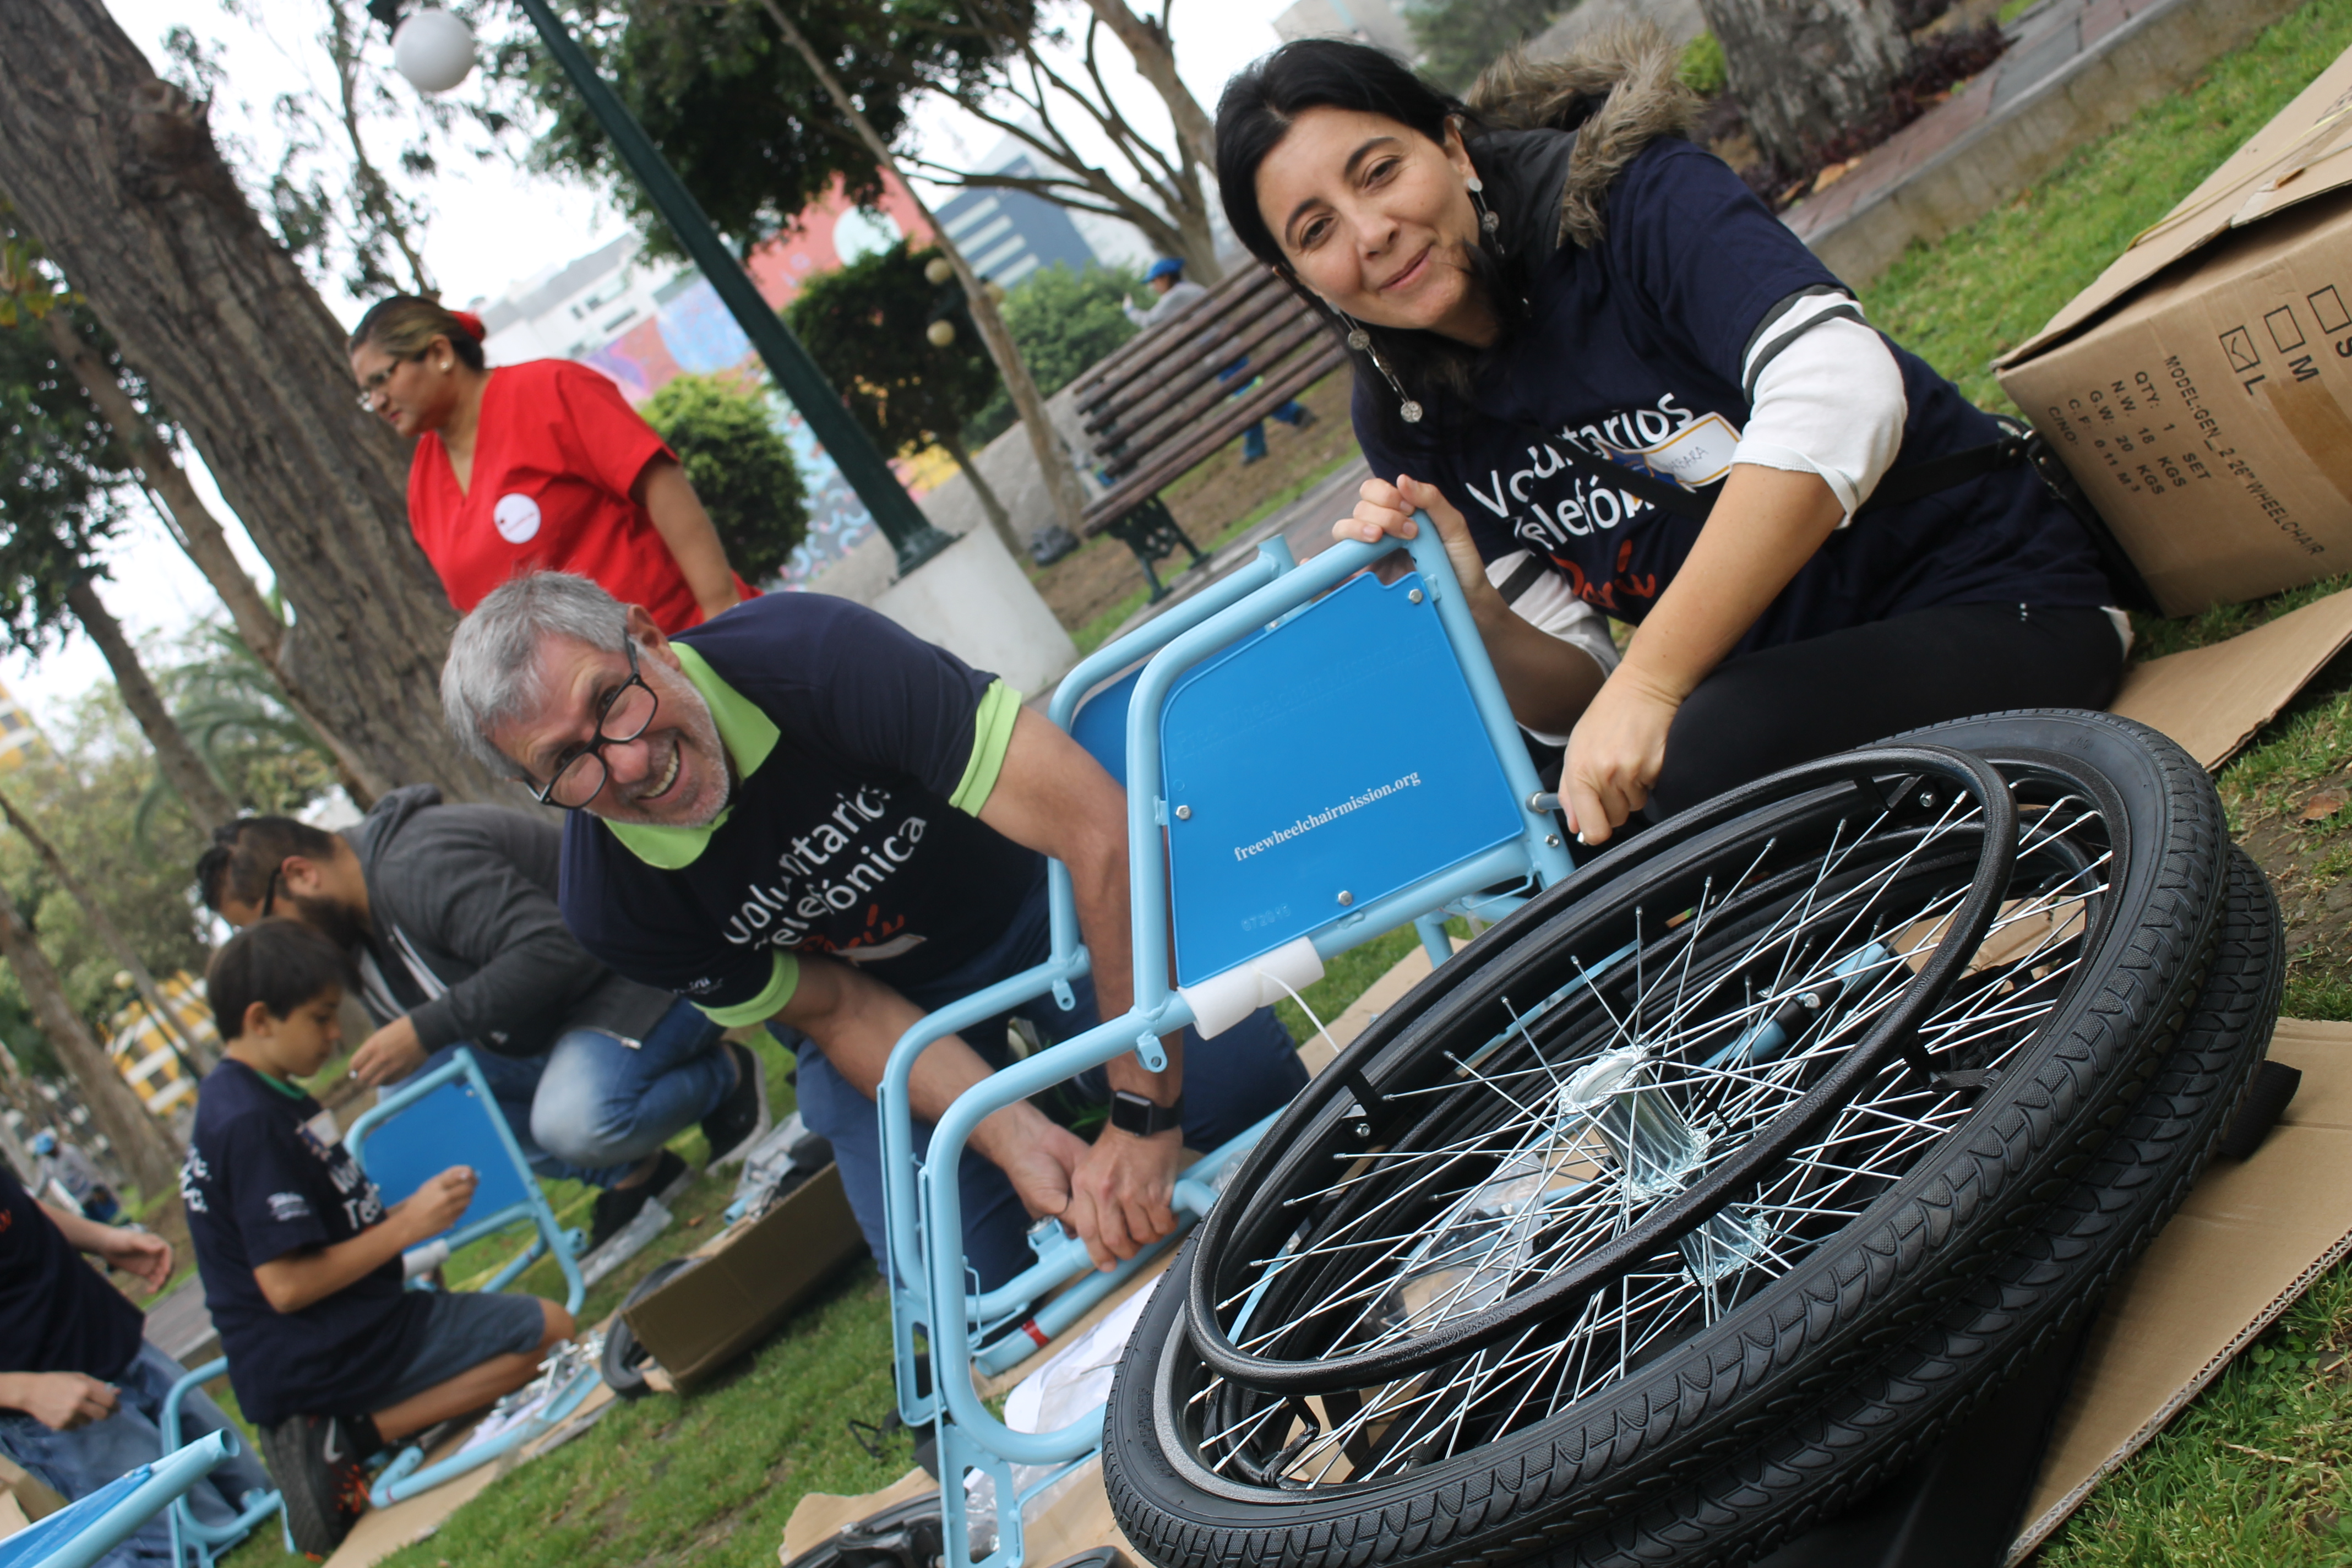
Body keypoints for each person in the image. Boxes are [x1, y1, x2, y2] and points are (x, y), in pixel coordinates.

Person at [1216, 31, 2126, 845]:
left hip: (1991, 596)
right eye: (1316, 230)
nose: (1370, 233)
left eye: (1378, 172)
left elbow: (1845, 393)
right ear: (1295, 275)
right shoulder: (1401, 409)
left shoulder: (1637, 199)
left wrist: (1651, 683)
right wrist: (1479, 614)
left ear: (1452, 146)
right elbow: (1578, 697)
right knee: (1543, 832)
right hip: (1765, 681)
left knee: (1699, 755)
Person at [436, 571, 1309, 1290]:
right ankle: (1043, 1100)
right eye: (566, 763)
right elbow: (841, 1013)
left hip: (1039, 908)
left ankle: (1082, 1070)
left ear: (649, 636)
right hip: (894, 1007)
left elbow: (1100, 835)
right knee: (972, 1291)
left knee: (1252, 1098)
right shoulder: (611, 904)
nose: (626, 764)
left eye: (613, 701)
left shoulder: (814, 656)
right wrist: (1006, 1132)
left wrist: (1140, 1113)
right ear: (534, 787)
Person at [194, 796, 769, 1251]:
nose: (275, 945)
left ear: (301, 875)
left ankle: (725, 1080)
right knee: (409, 1093)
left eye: (267, 925)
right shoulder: (354, 937)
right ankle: (636, 1173)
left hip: (643, 978)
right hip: (565, 1022)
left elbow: (555, 946)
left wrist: (426, 1028)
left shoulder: (414, 864)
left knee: (575, 1122)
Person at [184, 920, 575, 1556]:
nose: (336, 1034)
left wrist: (405, 1218)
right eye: (320, 1017)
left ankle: (345, 1432)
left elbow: (308, 1224)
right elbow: (284, 1285)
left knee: (546, 1333)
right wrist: (408, 1225)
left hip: (345, 1329)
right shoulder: (249, 1121)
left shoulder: (255, 1095)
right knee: (553, 1333)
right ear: (260, 1020)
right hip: (329, 1350)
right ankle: (350, 1436)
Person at [349, 295, 754, 635]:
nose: (379, 402)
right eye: (368, 393)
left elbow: (661, 484)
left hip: (686, 644)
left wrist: (724, 615)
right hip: (595, 713)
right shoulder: (423, 484)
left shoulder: (552, 390)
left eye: (382, 379)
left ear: (439, 353)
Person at [0, 1164, 271, 1568]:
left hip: (114, 1341)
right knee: (190, 1553)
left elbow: (16, 1206)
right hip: (53, 1406)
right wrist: (24, 1392)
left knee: (259, 1503)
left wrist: (105, 1239)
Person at [1125, 255, 1316, 464]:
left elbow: (1149, 320)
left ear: (1164, 278)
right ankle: (1290, 419)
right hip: (1227, 349)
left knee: (1245, 394)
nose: (1154, 287)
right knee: (1248, 390)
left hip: (1221, 353)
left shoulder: (1175, 296)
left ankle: (1267, 436)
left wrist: (1129, 310)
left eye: (1154, 281)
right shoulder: (1191, 289)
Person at [30, 1130, 117, 1224]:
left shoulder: (69, 1152)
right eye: (47, 1152)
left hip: (93, 1192)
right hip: (81, 1199)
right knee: (100, 1226)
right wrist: (35, 1200)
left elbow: (87, 1168)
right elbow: (43, 1183)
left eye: (51, 1150)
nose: (50, 1153)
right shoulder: (47, 1164)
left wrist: (97, 1188)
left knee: (114, 1219)